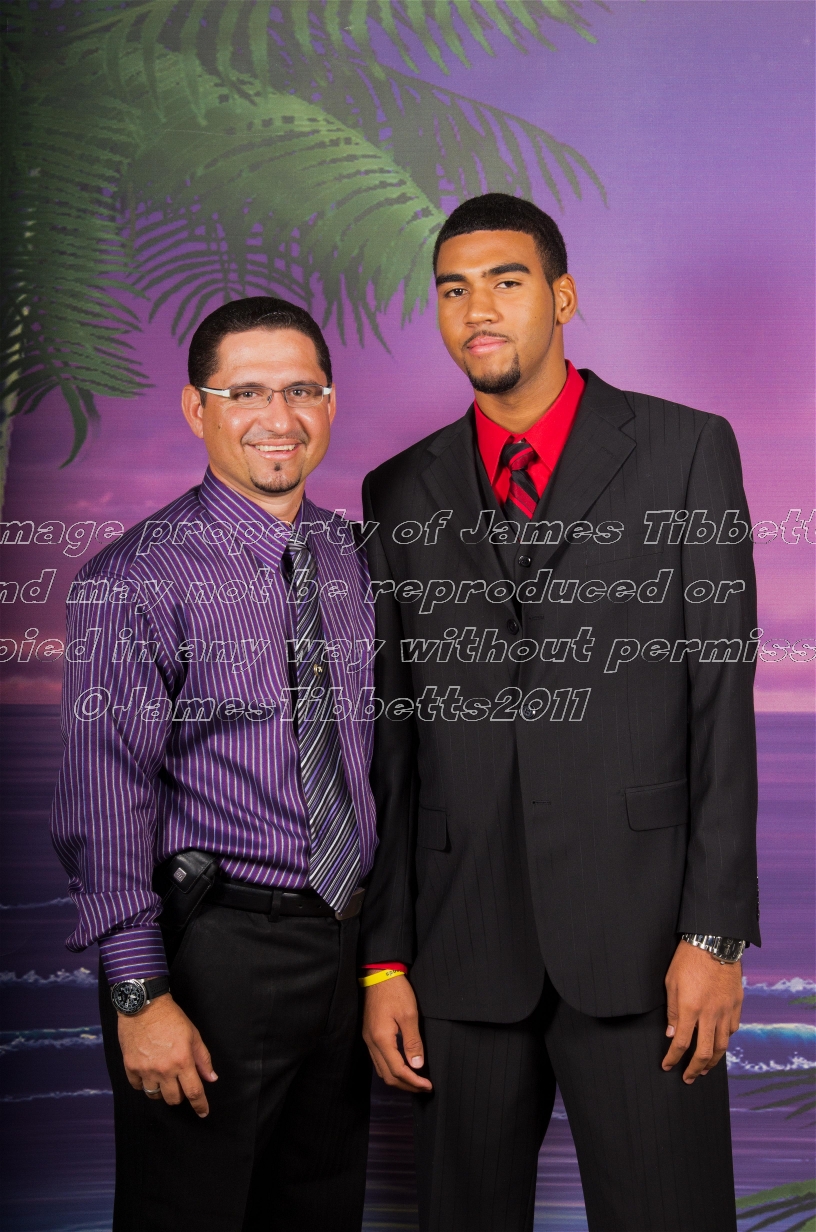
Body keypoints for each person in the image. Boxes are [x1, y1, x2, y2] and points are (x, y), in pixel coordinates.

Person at [359, 194, 759, 1232]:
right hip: (459, 952)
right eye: (454, 290)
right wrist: (384, 959)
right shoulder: (395, 491)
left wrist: (715, 933)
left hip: (645, 945)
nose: (478, 309)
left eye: (507, 281)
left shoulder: (685, 450)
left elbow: (721, 699)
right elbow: (394, 742)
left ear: (564, 296)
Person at [51, 297, 376, 1232]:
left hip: (344, 947)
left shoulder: (353, 560)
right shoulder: (133, 580)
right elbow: (105, 799)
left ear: (330, 403)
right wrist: (141, 995)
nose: (280, 417)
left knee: (318, 1214)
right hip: (214, 954)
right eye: (248, 392)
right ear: (198, 408)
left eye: (302, 390)